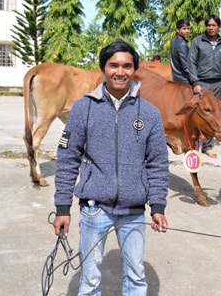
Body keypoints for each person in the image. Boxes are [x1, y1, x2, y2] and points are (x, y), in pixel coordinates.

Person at [52, 40, 170, 296]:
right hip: (94, 211)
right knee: (90, 280)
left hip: (134, 212)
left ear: (134, 70)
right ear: (103, 68)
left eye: (127, 66)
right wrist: (63, 208)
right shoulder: (83, 108)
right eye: (113, 65)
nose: (120, 71)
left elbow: (158, 163)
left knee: (137, 277)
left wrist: (158, 206)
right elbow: (67, 159)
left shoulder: (149, 113)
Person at [188, 15, 221, 158]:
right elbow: (191, 63)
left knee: (215, 114)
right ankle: (193, 147)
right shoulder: (198, 42)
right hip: (202, 82)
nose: (211, 28)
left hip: (217, 83)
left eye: (214, 25)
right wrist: (195, 82)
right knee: (198, 114)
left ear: (219, 27)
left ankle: (207, 146)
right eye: (209, 25)